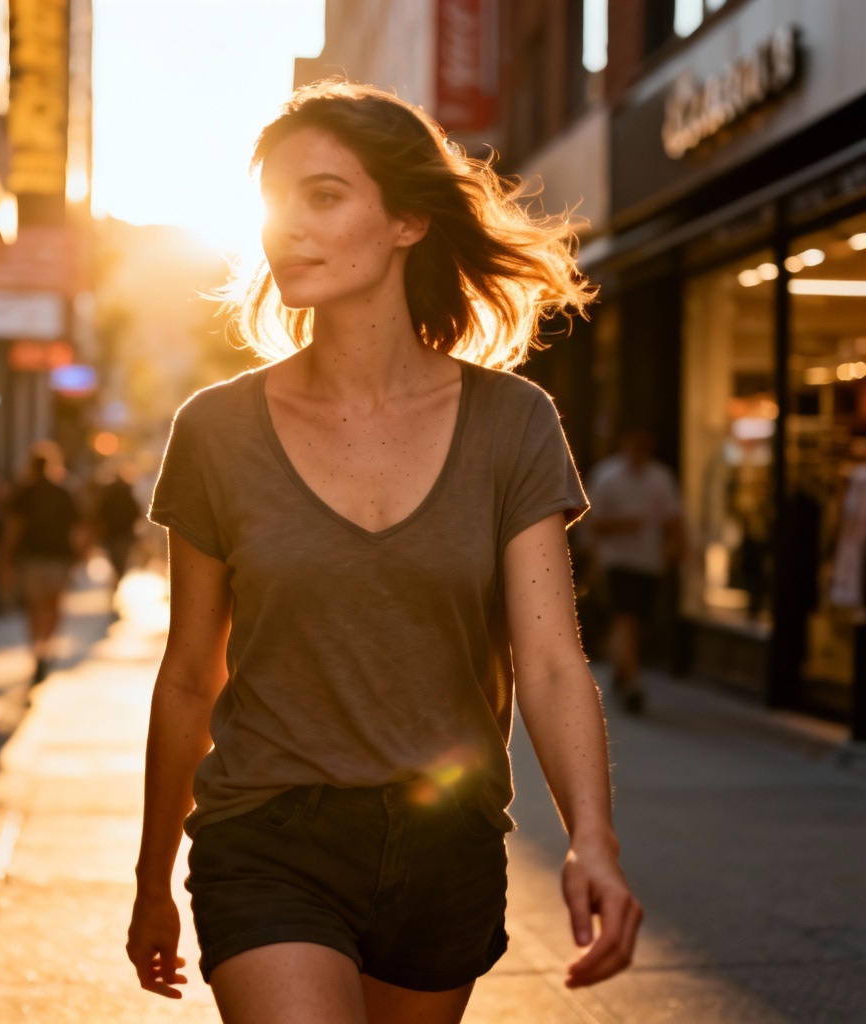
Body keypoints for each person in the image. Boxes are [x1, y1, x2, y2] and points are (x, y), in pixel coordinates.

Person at [127, 79, 642, 1023]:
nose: (288, 226)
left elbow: (553, 662)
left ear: (408, 221)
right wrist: (153, 876)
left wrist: (593, 843)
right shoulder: (216, 430)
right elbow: (189, 676)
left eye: (324, 196)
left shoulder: (513, 423)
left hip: (445, 845)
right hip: (266, 834)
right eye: (276, 200)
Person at [586, 427, 685, 715]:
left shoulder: (660, 477)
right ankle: (632, 684)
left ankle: (622, 668)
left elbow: (673, 518)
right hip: (617, 561)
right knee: (625, 620)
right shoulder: (607, 476)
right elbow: (592, 523)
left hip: (650, 562)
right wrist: (624, 526)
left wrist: (677, 549)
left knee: (637, 624)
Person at [0, 440, 85, 683]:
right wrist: (81, 557)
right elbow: (77, 531)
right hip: (58, 559)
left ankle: (38, 649)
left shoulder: (25, 492)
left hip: (33, 559)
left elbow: (12, 531)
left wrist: (5, 563)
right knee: (53, 606)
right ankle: (45, 647)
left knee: (35, 608)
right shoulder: (65, 491)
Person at [92, 462, 142, 588]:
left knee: (115, 559)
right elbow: (137, 512)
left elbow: (100, 512)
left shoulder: (108, 494)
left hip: (112, 534)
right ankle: (119, 579)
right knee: (122, 560)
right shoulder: (128, 494)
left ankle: (117, 580)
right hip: (125, 533)